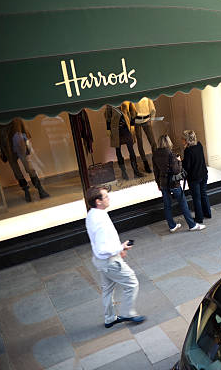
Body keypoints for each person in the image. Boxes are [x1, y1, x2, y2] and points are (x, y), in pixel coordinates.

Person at [85, 186, 145, 328]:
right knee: (132, 283)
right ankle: (128, 313)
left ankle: (110, 318)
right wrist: (120, 247)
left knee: (107, 290)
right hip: (109, 262)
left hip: (101, 261)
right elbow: (103, 248)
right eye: (106, 196)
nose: (108, 198)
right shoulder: (99, 220)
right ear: (98, 201)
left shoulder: (93, 214)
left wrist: (118, 249)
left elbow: (103, 242)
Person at [152, 135, 203, 232]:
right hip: (173, 183)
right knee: (183, 204)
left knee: (167, 205)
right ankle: (192, 225)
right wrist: (179, 161)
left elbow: (156, 171)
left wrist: (158, 184)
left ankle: (172, 226)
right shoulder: (171, 154)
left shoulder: (155, 155)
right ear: (168, 142)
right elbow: (176, 171)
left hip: (163, 183)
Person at [182, 130, 211, 226]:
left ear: (186, 140)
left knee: (196, 198)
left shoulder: (188, 150)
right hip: (203, 174)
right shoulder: (199, 145)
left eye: (183, 138)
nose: (182, 140)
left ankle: (199, 218)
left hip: (194, 177)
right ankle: (207, 213)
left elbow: (187, 166)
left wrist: (180, 161)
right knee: (203, 194)